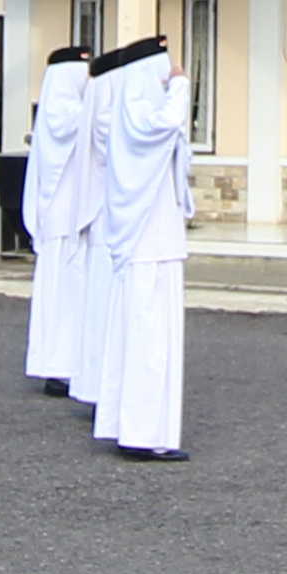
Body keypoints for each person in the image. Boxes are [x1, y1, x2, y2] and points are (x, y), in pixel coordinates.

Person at [91, 39, 192, 461]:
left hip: (153, 242)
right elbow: (168, 122)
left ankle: (131, 425)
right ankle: (144, 432)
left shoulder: (132, 115)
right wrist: (183, 86)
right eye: (163, 72)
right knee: (150, 339)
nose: (168, 77)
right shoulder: (138, 117)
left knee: (143, 336)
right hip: (150, 244)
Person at [20, 47, 97, 397]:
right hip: (64, 222)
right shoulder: (62, 110)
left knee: (66, 296)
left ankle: (60, 365)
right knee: (65, 295)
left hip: (65, 221)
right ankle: (59, 366)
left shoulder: (64, 109)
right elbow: (89, 122)